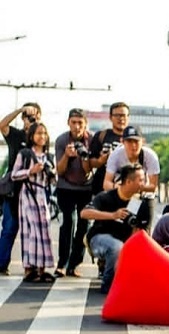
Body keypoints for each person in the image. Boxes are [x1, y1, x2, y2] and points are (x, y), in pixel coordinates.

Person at [81, 164, 145, 294]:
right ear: (128, 181)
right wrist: (113, 215)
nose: (144, 184)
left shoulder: (137, 202)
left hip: (121, 243)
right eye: (141, 180)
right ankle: (108, 285)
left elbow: (136, 231)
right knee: (116, 247)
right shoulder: (106, 196)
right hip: (98, 239)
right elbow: (84, 213)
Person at [11, 122, 56, 282]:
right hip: (28, 194)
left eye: (44, 133)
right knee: (30, 231)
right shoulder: (25, 154)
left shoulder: (49, 156)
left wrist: (52, 174)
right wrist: (31, 171)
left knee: (44, 230)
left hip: (43, 195)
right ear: (31, 136)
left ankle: (42, 268)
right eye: (38, 133)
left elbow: (54, 181)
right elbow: (14, 175)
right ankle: (29, 268)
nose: (42, 136)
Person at [0, 102, 41, 275]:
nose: (31, 120)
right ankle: (1, 264)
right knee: (10, 227)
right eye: (28, 117)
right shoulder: (16, 135)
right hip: (14, 190)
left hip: (34, 190)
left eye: (35, 116)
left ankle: (30, 266)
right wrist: (19, 111)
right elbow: (2, 125)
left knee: (33, 230)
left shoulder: (41, 136)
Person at [53, 108, 93, 277]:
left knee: (84, 226)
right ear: (68, 123)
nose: (77, 127)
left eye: (80, 123)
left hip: (87, 187)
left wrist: (84, 156)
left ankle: (74, 264)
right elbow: (59, 171)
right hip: (66, 187)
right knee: (68, 222)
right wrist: (67, 156)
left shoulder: (92, 140)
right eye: (73, 123)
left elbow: (90, 170)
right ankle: (63, 262)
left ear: (85, 124)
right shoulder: (61, 140)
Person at [103, 126, 160, 231]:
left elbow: (153, 186)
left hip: (144, 195)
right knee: (121, 230)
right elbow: (106, 183)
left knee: (144, 232)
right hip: (122, 194)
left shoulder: (151, 156)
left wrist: (135, 188)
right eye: (129, 142)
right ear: (122, 142)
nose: (133, 146)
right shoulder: (115, 155)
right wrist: (121, 188)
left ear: (142, 141)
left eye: (136, 141)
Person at [88, 102, 129, 195]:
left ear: (128, 117)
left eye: (123, 115)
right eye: (117, 115)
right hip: (101, 188)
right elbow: (90, 162)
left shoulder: (133, 138)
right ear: (110, 117)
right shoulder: (101, 135)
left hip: (126, 188)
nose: (121, 118)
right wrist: (101, 160)